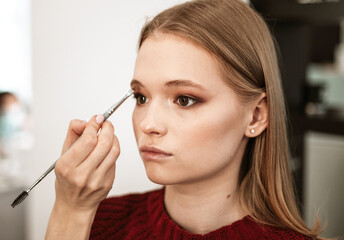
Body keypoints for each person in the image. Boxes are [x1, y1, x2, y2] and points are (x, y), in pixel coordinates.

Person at [45, 0, 324, 239]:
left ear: (256, 115)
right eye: (141, 97)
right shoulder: (96, 222)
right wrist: (70, 212)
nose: (148, 124)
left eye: (184, 99)